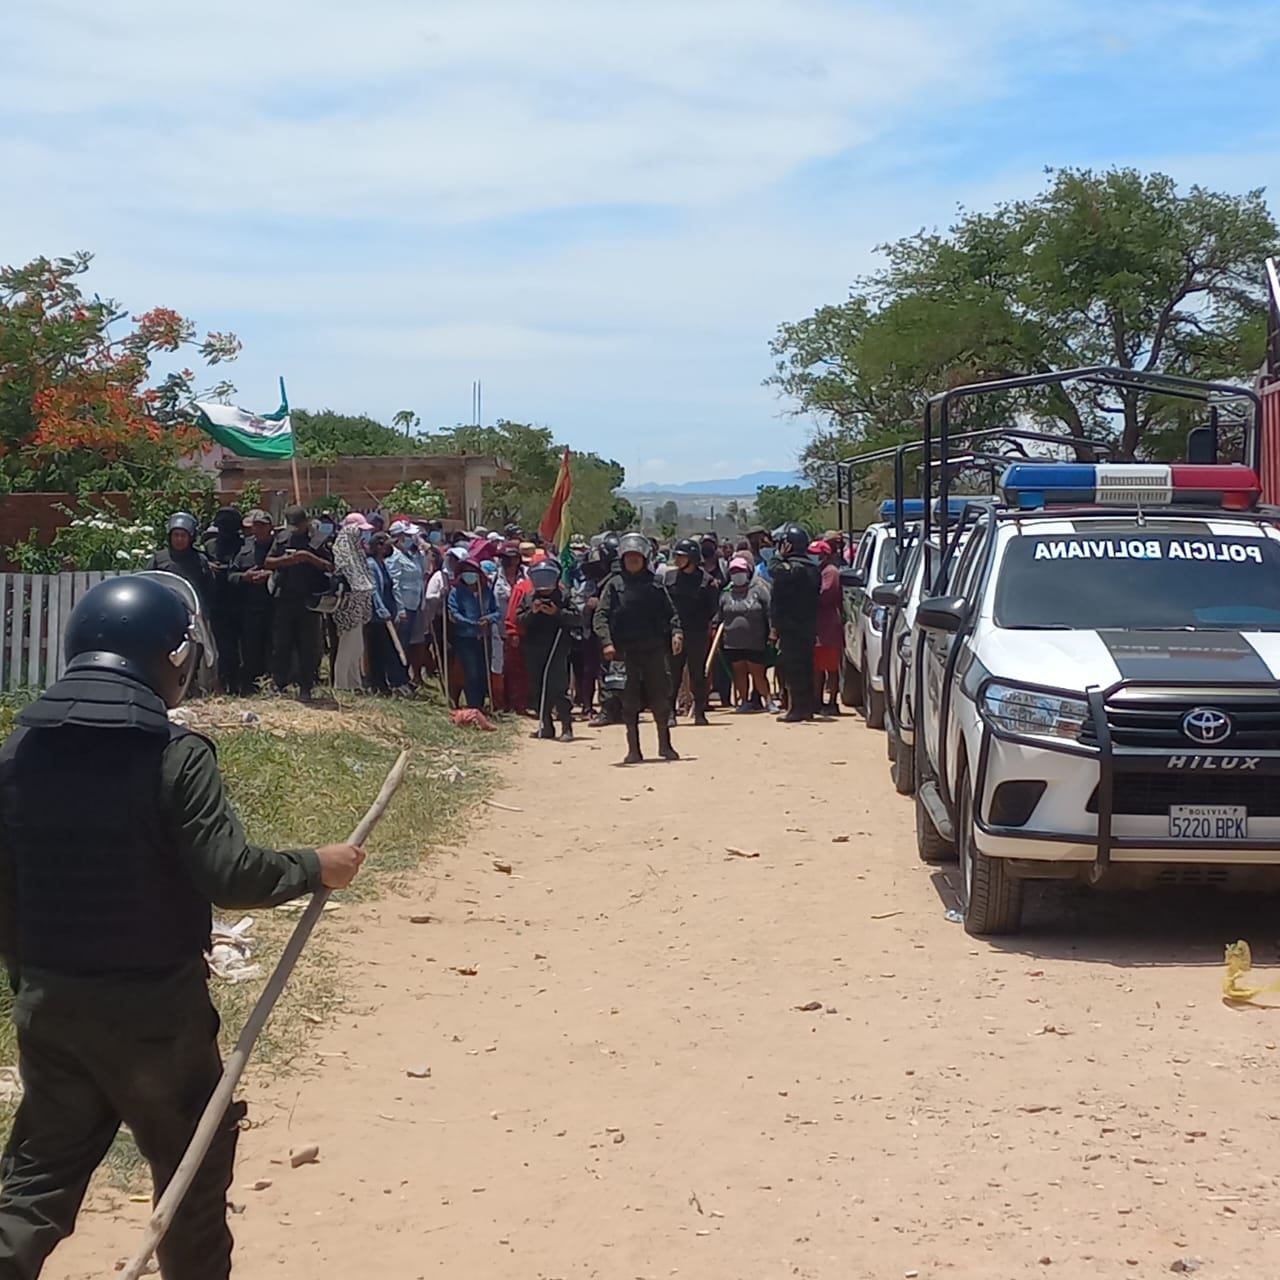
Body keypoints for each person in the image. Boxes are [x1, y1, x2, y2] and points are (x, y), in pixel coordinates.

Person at [0, 575, 364, 1279]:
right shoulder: (172, 753)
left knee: (37, 1182)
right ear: (172, 657)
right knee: (190, 1174)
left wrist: (35, 977)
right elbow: (228, 873)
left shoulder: (18, 755)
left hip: (49, 1003)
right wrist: (314, 865)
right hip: (156, 1014)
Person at [594, 532, 682, 764]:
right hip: (626, 653)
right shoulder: (614, 585)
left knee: (660, 699)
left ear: (644, 558)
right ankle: (634, 749)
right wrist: (607, 642)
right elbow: (601, 616)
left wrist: (677, 632)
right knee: (629, 703)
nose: (633, 560)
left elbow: (671, 613)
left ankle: (665, 745)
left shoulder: (656, 584)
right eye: (628, 557)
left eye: (637, 556)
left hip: (654, 650)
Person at [265, 506, 333, 704]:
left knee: (308, 646)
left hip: (308, 601)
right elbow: (268, 562)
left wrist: (309, 558)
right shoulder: (282, 538)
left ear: (306, 522)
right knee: (281, 644)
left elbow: (330, 566)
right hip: (285, 598)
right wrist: (287, 560)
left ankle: (306, 687)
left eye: (299, 525)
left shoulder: (318, 539)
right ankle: (279, 683)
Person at [516, 559, 581, 741]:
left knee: (558, 688)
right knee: (537, 687)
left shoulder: (563, 596)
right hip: (534, 648)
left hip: (557, 647)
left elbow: (577, 618)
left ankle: (566, 727)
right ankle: (546, 725)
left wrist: (557, 613)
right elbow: (519, 620)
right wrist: (533, 612)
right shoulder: (529, 598)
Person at [663, 538, 719, 727]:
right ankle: (670, 712)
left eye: (682, 556)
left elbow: (713, 608)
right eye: (677, 556)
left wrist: (704, 624)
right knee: (673, 673)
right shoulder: (669, 579)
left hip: (697, 632)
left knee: (698, 673)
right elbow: (665, 606)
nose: (677, 560)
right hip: (675, 632)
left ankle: (700, 712)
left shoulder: (707, 581)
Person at [769, 524, 820, 723]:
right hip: (807, 625)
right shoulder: (812, 568)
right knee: (805, 667)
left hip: (792, 626)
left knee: (794, 668)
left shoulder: (794, 567)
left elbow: (774, 569)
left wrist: (778, 556)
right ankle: (806, 708)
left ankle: (797, 709)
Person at [228, 510, 276, 690]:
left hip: (275, 607)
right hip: (250, 608)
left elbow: (290, 571)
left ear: (270, 527)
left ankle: (274, 682)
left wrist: (270, 575)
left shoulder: (279, 547)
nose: (260, 529)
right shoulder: (244, 549)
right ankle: (252, 684)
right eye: (257, 526)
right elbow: (231, 576)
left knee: (275, 647)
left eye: (263, 526)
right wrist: (245, 577)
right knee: (251, 648)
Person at [718, 555, 772, 711]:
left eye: (740, 571)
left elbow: (769, 613)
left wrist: (772, 632)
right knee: (739, 673)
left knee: (757, 672)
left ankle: (768, 701)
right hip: (733, 642)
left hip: (755, 641)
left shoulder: (759, 591)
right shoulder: (726, 595)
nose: (737, 574)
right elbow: (719, 616)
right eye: (734, 571)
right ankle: (744, 701)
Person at [203, 508, 246, 695]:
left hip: (242, 600)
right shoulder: (210, 547)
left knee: (244, 646)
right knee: (223, 647)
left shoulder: (243, 546)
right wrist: (208, 566)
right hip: (219, 602)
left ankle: (241, 683)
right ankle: (226, 682)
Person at [448, 560, 500, 710]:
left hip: (484, 638)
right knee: (472, 673)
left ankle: (481, 705)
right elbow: (454, 614)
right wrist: (473, 624)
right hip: (466, 638)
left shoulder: (486, 591)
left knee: (483, 672)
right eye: (466, 572)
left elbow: (496, 611)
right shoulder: (456, 592)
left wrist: (488, 619)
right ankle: (473, 705)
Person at [332, 514, 375, 691]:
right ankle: (341, 684)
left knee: (357, 648)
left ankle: (354, 682)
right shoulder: (341, 548)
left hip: (359, 604)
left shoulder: (357, 550)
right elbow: (346, 573)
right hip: (348, 605)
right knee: (347, 646)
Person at [365, 532, 411, 695]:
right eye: (387, 545)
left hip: (388, 616)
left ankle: (385, 683)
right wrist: (381, 609)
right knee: (377, 650)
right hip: (377, 617)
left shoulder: (382, 564)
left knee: (386, 650)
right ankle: (378, 684)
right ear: (379, 546)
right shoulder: (371, 565)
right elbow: (373, 590)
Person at [148, 512, 215, 617]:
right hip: (163, 609)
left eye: (183, 536)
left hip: (192, 612)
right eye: (176, 535)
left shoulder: (200, 560)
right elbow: (148, 583)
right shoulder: (159, 558)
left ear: (190, 538)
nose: (179, 539)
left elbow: (209, 590)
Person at [388, 522, 426, 684]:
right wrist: (400, 609)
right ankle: (397, 679)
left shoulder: (412, 555)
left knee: (408, 643)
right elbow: (394, 583)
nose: (412, 539)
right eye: (408, 536)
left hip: (414, 605)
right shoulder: (394, 556)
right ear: (398, 537)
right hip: (403, 606)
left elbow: (423, 572)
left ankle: (403, 676)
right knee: (400, 644)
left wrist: (422, 552)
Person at [812, 539, 844, 716]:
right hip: (818, 625)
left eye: (816, 555)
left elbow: (825, 595)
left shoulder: (830, 572)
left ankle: (832, 701)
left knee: (830, 667)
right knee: (817, 667)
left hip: (828, 625)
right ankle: (817, 700)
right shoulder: (818, 571)